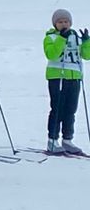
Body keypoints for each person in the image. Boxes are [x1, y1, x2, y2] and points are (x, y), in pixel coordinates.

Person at [43, 8, 90, 154]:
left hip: (74, 77)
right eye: (60, 22)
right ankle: (52, 140)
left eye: (66, 21)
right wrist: (62, 39)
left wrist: (87, 42)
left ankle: (68, 139)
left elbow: (86, 56)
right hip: (58, 77)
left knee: (71, 109)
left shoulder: (74, 36)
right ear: (55, 24)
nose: (64, 24)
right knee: (58, 108)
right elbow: (52, 54)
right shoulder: (50, 38)